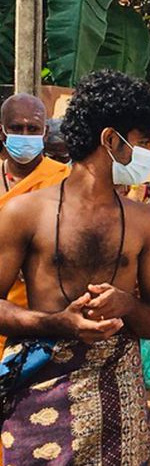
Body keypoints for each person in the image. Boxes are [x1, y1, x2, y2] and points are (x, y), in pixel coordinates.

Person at [0, 69, 150, 466]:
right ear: (112, 140)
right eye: (144, 139)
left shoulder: (145, 222)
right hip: (39, 393)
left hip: (117, 400)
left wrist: (127, 303)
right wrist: (59, 323)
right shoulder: (25, 212)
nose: (149, 152)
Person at [0, 94, 71, 321]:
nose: (25, 135)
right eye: (16, 128)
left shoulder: (64, 180)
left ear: (45, 134)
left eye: (32, 129)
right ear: (2, 132)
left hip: (48, 316)